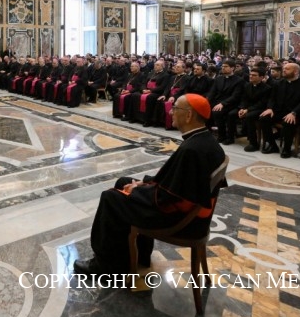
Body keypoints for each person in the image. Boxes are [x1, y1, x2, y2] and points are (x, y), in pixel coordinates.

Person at [73, 94, 226, 276]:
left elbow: (167, 197)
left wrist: (136, 191)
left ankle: (105, 267)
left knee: (110, 197)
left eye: (175, 108)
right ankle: (140, 255)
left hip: (178, 219)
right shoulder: (205, 140)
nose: (170, 112)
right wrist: (144, 183)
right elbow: (177, 181)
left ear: (189, 115)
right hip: (189, 212)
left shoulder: (191, 150)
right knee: (123, 182)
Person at [258, 62, 300, 158]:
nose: (284, 70)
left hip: (298, 113)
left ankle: (287, 149)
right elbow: (272, 98)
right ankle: (272, 145)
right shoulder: (278, 83)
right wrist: (270, 108)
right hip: (280, 111)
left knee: (288, 122)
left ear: (296, 72)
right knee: (263, 118)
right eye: (284, 68)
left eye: (287, 69)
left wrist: (294, 113)